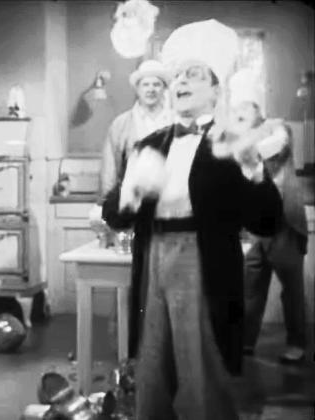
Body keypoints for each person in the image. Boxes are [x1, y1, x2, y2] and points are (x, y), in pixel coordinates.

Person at [102, 20, 283, 420]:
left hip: (202, 261)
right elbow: (114, 215)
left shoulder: (230, 145)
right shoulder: (149, 144)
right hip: (151, 259)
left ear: (217, 90)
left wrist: (254, 169)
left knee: (203, 369)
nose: (181, 81)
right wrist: (131, 191)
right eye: (178, 75)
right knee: (150, 368)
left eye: (194, 74)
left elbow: (267, 221)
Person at [229, 97, 308, 364]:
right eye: (236, 113)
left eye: (244, 113)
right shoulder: (238, 139)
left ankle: (297, 344)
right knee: (251, 285)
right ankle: (244, 342)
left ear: (258, 115)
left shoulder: (277, 128)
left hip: (285, 221)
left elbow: (272, 147)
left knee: (292, 288)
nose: (238, 116)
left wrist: (238, 146)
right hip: (255, 225)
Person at [99, 59, 172, 199]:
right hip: (132, 200)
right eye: (145, 84)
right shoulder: (121, 124)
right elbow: (109, 170)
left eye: (156, 84)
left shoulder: (175, 121)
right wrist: (107, 202)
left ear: (164, 88)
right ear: (137, 89)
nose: (151, 89)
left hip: (169, 199)